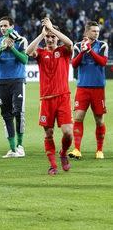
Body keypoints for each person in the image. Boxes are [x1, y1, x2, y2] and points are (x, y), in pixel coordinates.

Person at [26, 18, 73, 175]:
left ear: (57, 38)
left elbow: (70, 43)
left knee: (68, 132)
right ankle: (53, 165)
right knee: (49, 133)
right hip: (46, 99)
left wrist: (52, 29)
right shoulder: (40, 53)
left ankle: (63, 153)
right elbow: (27, 51)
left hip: (63, 97)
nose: (51, 39)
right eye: (48, 37)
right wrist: (41, 34)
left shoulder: (64, 51)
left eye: (53, 37)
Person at [69, 21, 108, 160]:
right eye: (93, 31)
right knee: (78, 117)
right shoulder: (78, 46)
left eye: (97, 31)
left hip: (98, 88)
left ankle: (99, 150)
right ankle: (77, 149)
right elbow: (74, 64)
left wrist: (90, 51)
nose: (96, 33)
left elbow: (103, 62)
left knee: (99, 120)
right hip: (83, 88)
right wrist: (83, 51)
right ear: (86, 32)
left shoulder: (102, 45)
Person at [0, 16, 28, 158]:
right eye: (1, 26)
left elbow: (24, 59)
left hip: (17, 81)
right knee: (6, 114)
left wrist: (12, 48)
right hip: (2, 82)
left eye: (6, 25)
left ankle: (20, 146)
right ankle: (12, 148)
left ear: (12, 26)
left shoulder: (21, 40)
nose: (3, 28)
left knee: (18, 112)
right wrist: (2, 49)